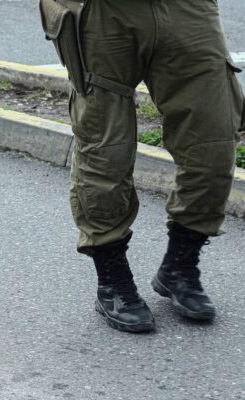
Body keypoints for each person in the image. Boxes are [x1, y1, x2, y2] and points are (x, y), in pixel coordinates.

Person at [40, 0, 244, 332]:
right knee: (105, 151)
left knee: (213, 140)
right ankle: (112, 279)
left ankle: (180, 266)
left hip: (185, 8)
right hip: (102, 11)